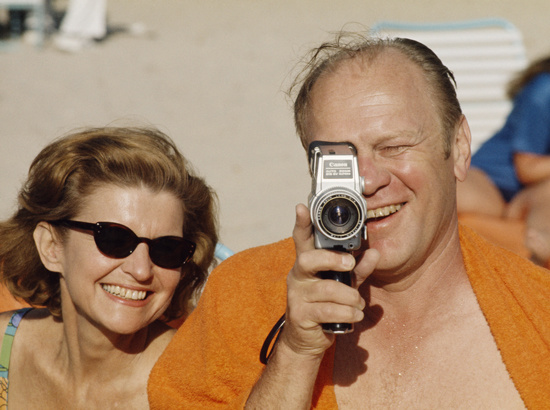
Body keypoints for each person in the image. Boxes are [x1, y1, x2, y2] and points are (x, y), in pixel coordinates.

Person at [147, 34, 550, 409]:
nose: (368, 181)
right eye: (338, 159)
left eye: (394, 147)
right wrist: (295, 353)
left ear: (459, 147)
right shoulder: (243, 296)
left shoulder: (538, 312)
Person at [0, 126, 218, 408]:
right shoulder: (4, 347)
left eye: (167, 249)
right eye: (115, 239)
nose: (141, 270)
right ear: (51, 246)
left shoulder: (195, 389)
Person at [458, 56, 550, 266]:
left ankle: (539, 256)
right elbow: (527, 167)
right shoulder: (545, 88)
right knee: (438, 189)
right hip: (490, 180)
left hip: (527, 197)